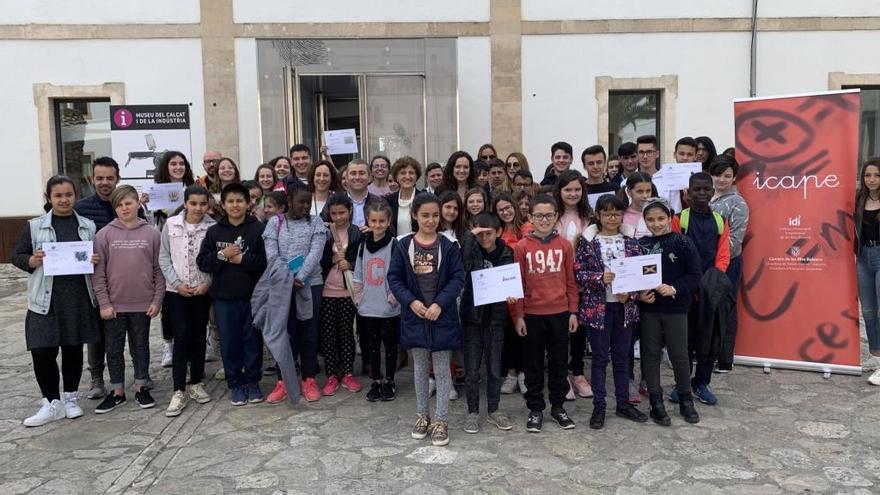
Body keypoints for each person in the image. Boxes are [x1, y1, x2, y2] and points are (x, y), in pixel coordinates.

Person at [13, 176, 100, 426]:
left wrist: (95, 260)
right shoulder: (34, 226)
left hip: (77, 297)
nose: (64, 200)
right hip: (44, 298)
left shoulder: (87, 225)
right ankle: (51, 403)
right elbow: (17, 255)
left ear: (75, 196)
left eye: (69, 195)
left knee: (72, 348)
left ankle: (70, 398)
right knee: (42, 351)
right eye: (58, 196)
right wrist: (32, 261)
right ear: (49, 198)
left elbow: (96, 257)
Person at [388, 193, 465, 447]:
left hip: (442, 317)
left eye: (435, 215)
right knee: (420, 369)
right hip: (415, 316)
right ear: (414, 216)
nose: (430, 220)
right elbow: (395, 278)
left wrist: (439, 304)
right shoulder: (403, 245)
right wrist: (412, 302)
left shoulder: (449, 245)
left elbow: (457, 278)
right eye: (425, 215)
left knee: (442, 370)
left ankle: (441, 420)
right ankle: (423, 416)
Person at [574, 195, 648, 429]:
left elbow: (640, 273)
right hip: (598, 308)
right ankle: (599, 405)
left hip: (623, 308)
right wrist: (598, 277)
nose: (612, 218)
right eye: (607, 213)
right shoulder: (588, 242)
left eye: (616, 213)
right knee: (599, 358)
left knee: (621, 356)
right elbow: (578, 272)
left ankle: (623, 402)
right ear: (598, 215)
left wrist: (632, 293)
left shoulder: (631, 241)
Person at [92, 185, 164, 413]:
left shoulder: (152, 233)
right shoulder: (104, 235)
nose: (125, 208)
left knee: (140, 345)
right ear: (114, 207)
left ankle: (141, 386)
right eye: (120, 204)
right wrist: (104, 303)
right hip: (114, 305)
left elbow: (158, 270)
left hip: (143, 304)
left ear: (138, 204)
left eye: (129, 203)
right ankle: (117, 391)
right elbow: (98, 274)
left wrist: (157, 300)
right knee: (113, 348)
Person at [512, 194, 579, 432]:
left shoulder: (564, 245)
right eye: (538, 215)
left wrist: (573, 311)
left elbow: (571, 280)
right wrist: (518, 315)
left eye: (549, 215)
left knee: (560, 362)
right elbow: (517, 283)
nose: (544, 220)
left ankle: (558, 406)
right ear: (530, 217)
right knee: (533, 363)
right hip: (532, 314)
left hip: (560, 312)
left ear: (556, 217)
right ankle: (535, 408)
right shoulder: (521, 247)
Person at [74, 157, 140, 399]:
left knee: (135, 331)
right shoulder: (80, 208)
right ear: (92, 179)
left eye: (109, 178)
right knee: (97, 333)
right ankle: (96, 378)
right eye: (99, 178)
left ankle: (140, 375)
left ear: (117, 178)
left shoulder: (129, 205)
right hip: (96, 281)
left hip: (126, 281)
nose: (104, 182)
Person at [197, 183, 268, 406]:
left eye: (240, 201)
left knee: (252, 341)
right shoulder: (215, 232)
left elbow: (266, 262)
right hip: (224, 300)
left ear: (248, 203)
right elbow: (203, 262)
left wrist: (242, 259)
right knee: (229, 343)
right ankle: (235, 384)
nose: (235, 205)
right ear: (223, 204)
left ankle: (253, 381)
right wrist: (222, 255)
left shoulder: (258, 229)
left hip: (252, 298)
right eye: (230, 201)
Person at [262, 182, 328, 403]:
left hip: (311, 284)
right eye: (302, 202)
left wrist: (300, 278)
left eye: (309, 202)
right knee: (285, 333)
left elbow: (315, 252)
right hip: (282, 285)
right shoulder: (275, 223)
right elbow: (271, 254)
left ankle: (308, 379)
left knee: (308, 332)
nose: (306, 206)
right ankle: (284, 381)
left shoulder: (316, 223)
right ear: (289, 201)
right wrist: (287, 278)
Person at [637, 197, 701, 425]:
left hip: (676, 309)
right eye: (650, 219)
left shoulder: (682, 242)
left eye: (660, 218)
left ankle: (686, 398)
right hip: (650, 310)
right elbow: (634, 278)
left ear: (670, 218)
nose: (656, 224)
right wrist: (638, 295)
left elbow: (695, 274)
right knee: (651, 356)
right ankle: (656, 401)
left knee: (679, 355)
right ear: (644, 220)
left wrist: (674, 288)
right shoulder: (640, 245)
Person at [671, 172, 731, 406]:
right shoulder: (680, 219)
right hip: (686, 290)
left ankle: (702, 383)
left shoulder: (719, 220)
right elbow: (674, 251)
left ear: (712, 191)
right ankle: (681, 384)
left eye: (707, 189)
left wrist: (712, 279)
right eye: (697, 190)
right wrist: (689, 280)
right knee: (684, 342)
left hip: (710, 291)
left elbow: (723, 253)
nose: (702, 194)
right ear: (688, 192)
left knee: (710, 340)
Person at [159, 185, 216, 417]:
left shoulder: (212, 226)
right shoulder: (171, 224)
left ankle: (196, 382)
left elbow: (215, 258)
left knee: (199, 337)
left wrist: (207, 283)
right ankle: (178, 389)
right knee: (181, 337)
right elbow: (163, 256)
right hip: (177, 291)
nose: (198, 208)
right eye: (193, 203)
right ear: (185, 203)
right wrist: (176, 283)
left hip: (201, 291)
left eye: (203, 204)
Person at [458, 212, 516, 433]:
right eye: (480, 234)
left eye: (489, 234)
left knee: (494, 368)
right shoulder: (471, 248)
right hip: (472, 317)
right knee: (471, 369)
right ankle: (472, 411)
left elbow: (509, 279)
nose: (485, 239)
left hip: (496, 318)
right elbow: (466, 265)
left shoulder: (506, 252)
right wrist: (471, 238)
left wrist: (510, 294)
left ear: (498, 232)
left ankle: (494, 409)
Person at [353, 201, 401, 401]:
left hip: (388, 305)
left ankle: (390, 380)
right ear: (368, 222)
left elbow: (400, 272)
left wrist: (395, 295)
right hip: (368, 305)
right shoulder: (363, 245)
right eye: (374, 220)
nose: (378, 224)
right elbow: (358, 271)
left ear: (388, 221)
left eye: (382, 221)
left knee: (390, 346)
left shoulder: (395, 244)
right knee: (371, 346)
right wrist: (358, 294)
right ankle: (376, 380)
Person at [318, 193, 363, 396]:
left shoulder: (357, 233)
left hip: (347, 291)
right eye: (334, 213)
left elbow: (362, 259)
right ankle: (331, 375)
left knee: (346, 332)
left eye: (342, 212)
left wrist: (350, 264)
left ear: (350, 211)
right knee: (328, 334)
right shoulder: (325, 232)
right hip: (327, 290)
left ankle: (347, 372)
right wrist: (332, 259)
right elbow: (318, 258)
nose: (338, 217)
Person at [708, 155, 749, 373]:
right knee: (708, 308)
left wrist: (716, 259)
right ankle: (707, 353)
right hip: (707, 263)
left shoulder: (738, 203)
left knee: (726, 309)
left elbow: (735, 239)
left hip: (729, 263)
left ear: (734, 178)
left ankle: (725, 358)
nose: (721, 180)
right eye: (717, 175)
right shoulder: (706, 197)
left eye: (727, 176)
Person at [385, 156, 423, 237]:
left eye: (411, 173)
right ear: (396, 177)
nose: (407, 176)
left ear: (417, 176)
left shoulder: (424, 199)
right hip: (395, 247)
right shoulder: (388, 201)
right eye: (403, 173)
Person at [339, 159, 381, 229]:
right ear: (346, 178)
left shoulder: (379, 202)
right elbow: (324, 225)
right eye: (353, 173)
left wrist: (374, 232)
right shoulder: (335, 201)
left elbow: (390, 230)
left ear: (370, 177)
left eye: (361, 173)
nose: (357, 177)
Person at [620, 172, 657, 241]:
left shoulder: (659, 213)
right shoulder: (622, 216)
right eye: (640, 191)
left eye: (648, 191)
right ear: (629, 192)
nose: (645, 196)